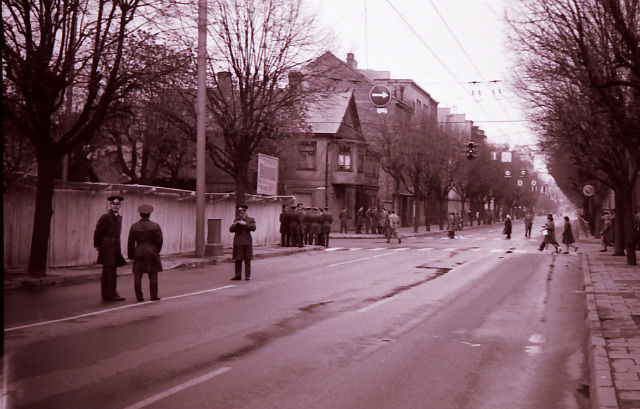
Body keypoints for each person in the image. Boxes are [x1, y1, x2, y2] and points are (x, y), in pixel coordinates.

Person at [94, 195, 127, 302]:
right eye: (113, 204)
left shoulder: (118, 217)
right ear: (110, 204)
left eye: (117, 204)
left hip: (115, 246)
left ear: (120, 205)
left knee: (110, 270)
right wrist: (97, 245)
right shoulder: (106, 217)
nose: (115, 206)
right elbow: (98, 232)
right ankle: (111, 294)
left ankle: (108, 294)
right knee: (109, 270)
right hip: (107, 246)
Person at [127, 204, 163, 302]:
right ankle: (153, 296)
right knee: (153, 274)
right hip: (152, 251)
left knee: (138, 275)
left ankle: (139, 296)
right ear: (149, 214)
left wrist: (131, 255)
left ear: (140, 214)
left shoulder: (134, 226)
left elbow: (130, 242)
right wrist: (156, 250)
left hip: (139, 251)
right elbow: (160, 241)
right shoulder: (155, 226)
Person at [230, 204, 256, 281]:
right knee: (238, 259)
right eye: (239, 212)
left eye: (242, 212)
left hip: (247, 242)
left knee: (247, 259)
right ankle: (237, 275)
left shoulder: (250, 219)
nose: (240, 214)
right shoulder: (236, 219)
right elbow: (231, 230)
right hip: (238, 242)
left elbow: (253, 228)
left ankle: (247, 276)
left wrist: (245, 224)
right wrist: (235, 225)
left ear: (245, 212)